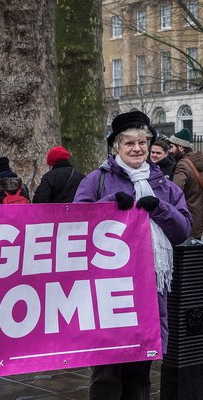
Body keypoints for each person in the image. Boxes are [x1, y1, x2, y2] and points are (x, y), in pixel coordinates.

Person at [73, 110, 192, 400]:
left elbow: (183, 231)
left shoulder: (165, 186)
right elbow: (75, 223)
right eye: (129, 143)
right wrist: (110, 204)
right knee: (106, 371)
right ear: (117, 147)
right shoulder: (96, 180)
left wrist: (159, 209)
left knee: (140, 371)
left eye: (142, 142)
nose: (137, 149)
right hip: (107, 290)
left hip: (148, 290)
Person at [168, 128, 203, 240]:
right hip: (199, 218)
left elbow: (175, 191)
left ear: (181, 147)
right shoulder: (199, 161)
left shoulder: (182, 165)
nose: (170, 151)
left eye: (172, 147)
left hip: (187, 219)